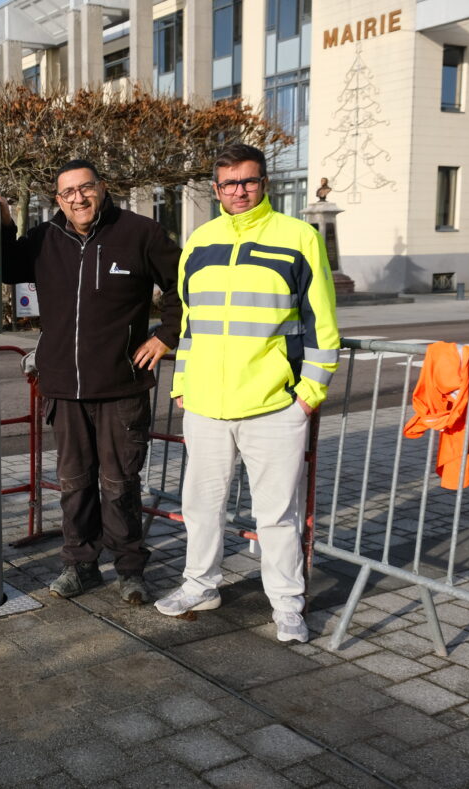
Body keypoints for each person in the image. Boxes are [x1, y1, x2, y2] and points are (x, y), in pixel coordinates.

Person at [154, 143, 340, 644]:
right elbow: (191, 323)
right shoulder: (199, 241)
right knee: (200, 505)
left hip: (274, 406)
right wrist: (182, 386)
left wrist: (309, 392)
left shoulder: (298, 237)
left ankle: (287, 605)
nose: (240, 191)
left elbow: (321, 320)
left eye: (249, 181)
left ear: (265, 184)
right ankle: (200, 585)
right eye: (229, 183)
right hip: (206, 407)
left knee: (277, 515)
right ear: (215, 189)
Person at [0, 159, 182, 605]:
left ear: (102, 188)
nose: (78, 198)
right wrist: (0, 223)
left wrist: (166, 336)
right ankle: (80, 566)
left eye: (86, 188)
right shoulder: (42, 240)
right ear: (57, 200)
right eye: (67, 192)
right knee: (75, 483)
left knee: (119, 484)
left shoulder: (140, 233)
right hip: (63, 388)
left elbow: (182, 286)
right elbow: (2, 267)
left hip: (122, 386)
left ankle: (130, 569)